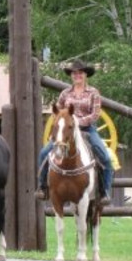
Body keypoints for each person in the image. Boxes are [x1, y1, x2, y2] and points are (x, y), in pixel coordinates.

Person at [35, 59, 113, 205]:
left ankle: (104, 192)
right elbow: (56, 112)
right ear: (71, 75)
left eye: (80, 73)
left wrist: (78, 122)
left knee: (105, 158)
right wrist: (63, 122)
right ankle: (42, 187)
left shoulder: (93, 93)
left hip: (88, 130)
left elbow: (95, 114)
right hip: (65, 132)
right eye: (74, 73)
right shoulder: (65, 93)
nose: (77, 75)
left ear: (85, 75)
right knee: (43, 153)